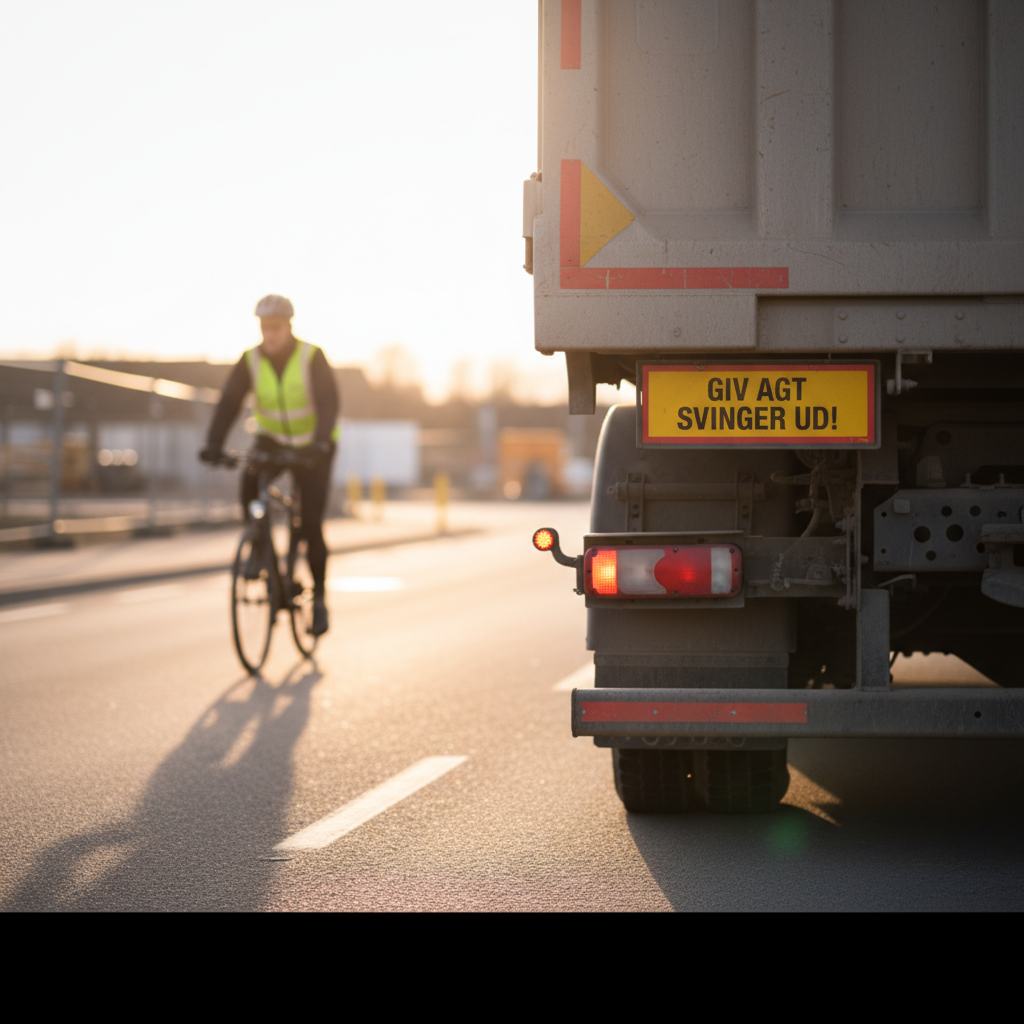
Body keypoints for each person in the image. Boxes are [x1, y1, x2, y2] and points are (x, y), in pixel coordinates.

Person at [200, 294, 339, 635]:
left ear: (289, 327)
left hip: (313, 445)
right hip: (271, 440)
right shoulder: (250, 360)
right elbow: (229, 401)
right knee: (249, 484)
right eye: (264, 327)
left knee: (311, 524)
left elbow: (329, 402)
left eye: (276, 327)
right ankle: (259, 548)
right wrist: (213, 444)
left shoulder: (311, 357)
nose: (270, 334)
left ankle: (320, 601)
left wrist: (321, 441)